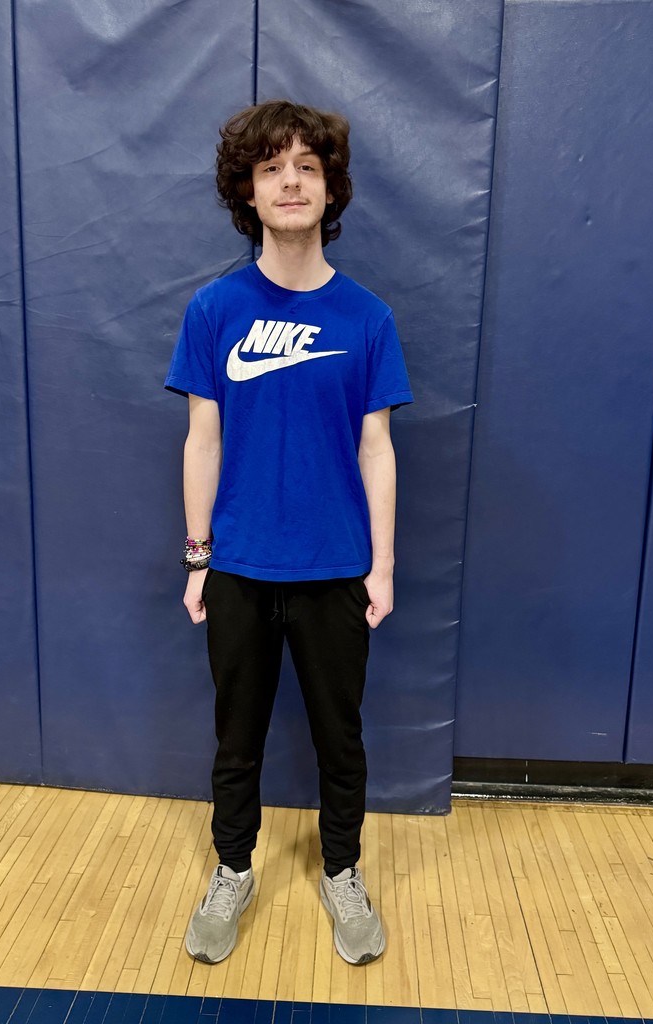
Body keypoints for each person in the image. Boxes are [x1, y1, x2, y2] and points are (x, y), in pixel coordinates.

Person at [164, 100, 413, 967]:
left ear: (330, 187)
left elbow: (375, 449)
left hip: (337, 569)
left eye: (308, 166)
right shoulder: (214, 309)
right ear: (248, 191)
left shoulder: (367, 319)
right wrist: (199, 559)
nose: (291, 180)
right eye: (273, 168)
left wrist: (381, 566)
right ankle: (232, 868)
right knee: (237, 740)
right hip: (237, 567)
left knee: (341, 738)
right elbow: (203, 440)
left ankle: (340, 870)